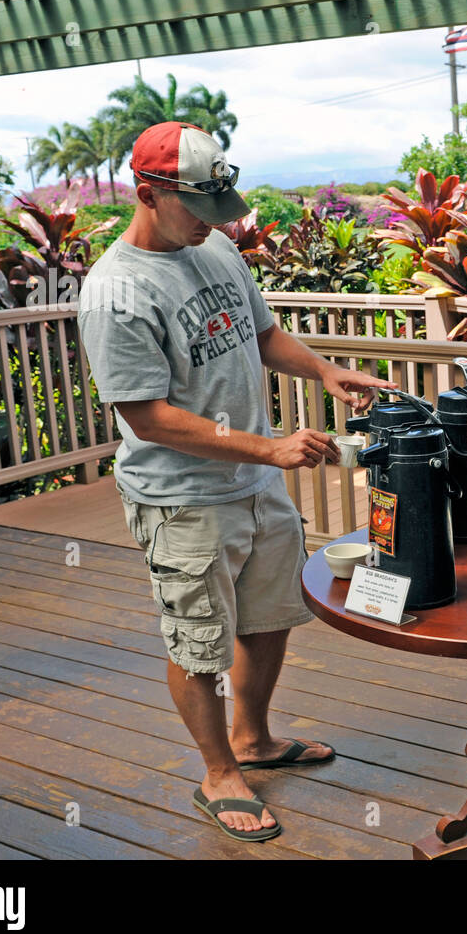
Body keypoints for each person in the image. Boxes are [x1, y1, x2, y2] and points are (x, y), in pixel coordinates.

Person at [78, 121, 398, 841]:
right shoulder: (116, 293)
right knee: (198, 640)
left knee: (268, 615)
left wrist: (324, 369)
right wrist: (270, 448)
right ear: (147, 193)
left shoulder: (215, 244)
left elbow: (260, 332)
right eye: (198, 205)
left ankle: (253, 738)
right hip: (182, 499)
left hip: (254, 484)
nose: (215, 221)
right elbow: (149, 417)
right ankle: (219, 769)